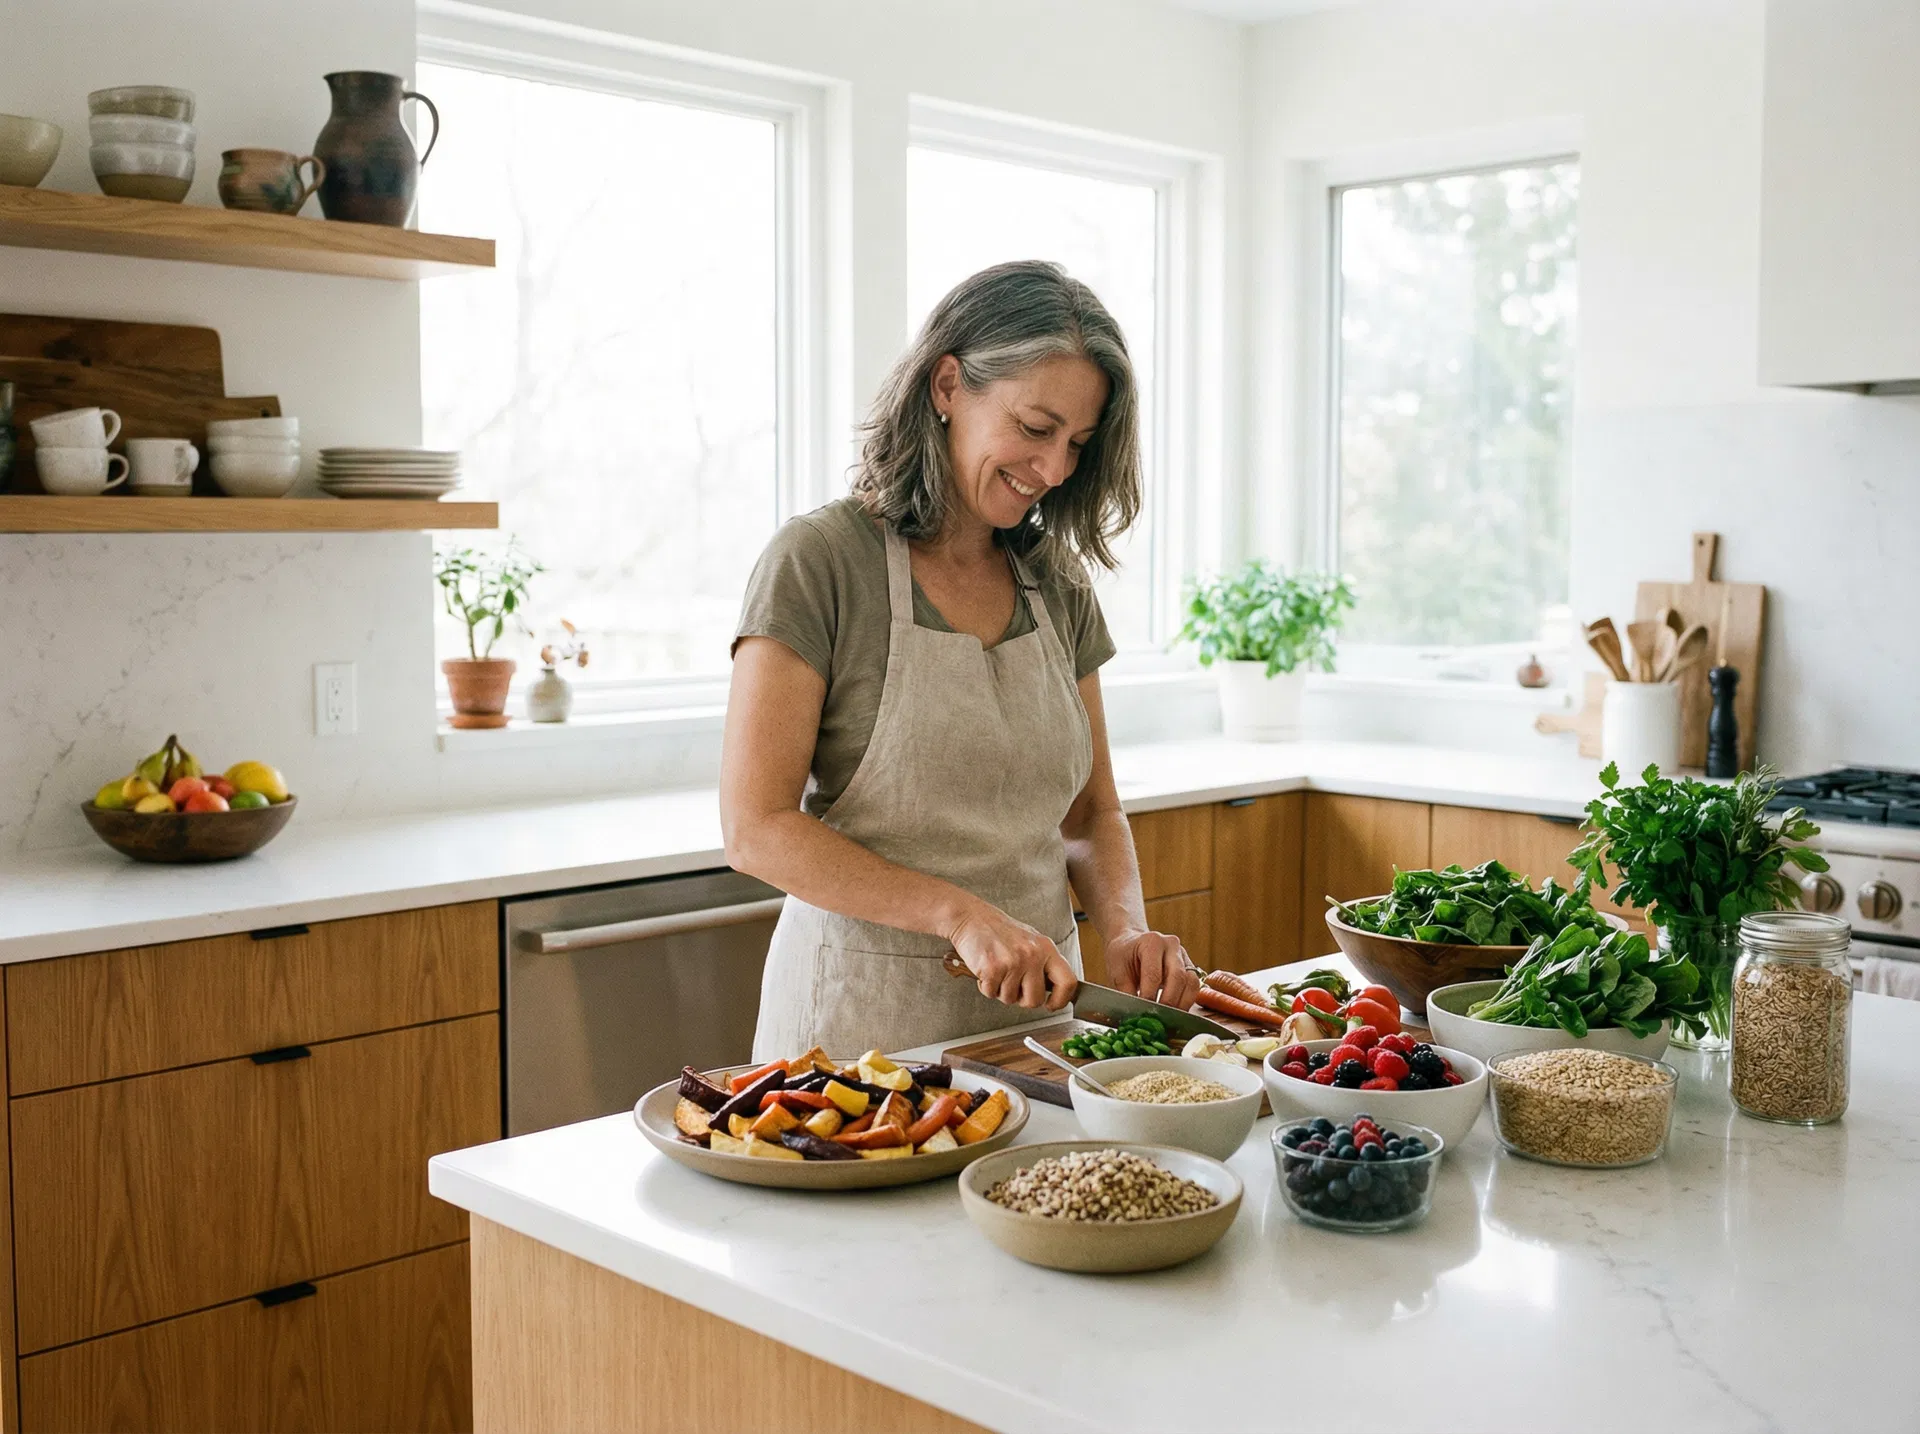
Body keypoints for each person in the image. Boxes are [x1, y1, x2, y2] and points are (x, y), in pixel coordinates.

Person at [722, 259, 1203, 1060]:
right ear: (948, 385)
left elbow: (1089, 814)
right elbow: (756, 829)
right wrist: (959, 913)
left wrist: (1125, 931)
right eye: (1036, 428)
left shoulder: (1055, 581)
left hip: (1043, 1036)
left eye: (1079, 444)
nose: (1053, 471)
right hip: (859, 1038)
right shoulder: (819, 562)